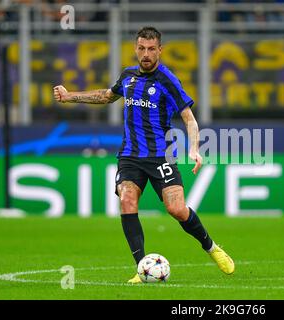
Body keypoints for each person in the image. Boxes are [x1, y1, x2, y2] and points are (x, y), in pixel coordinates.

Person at [53, 26, 235, 283]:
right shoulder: (128, 76)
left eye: (151, 49)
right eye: (141, 48)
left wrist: (194, 148)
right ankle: (142, 268)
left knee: (177, 209)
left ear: (160, 50)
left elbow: (189, 118)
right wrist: (69, 96)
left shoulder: (167, 80)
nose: (146, 54)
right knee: (127, 200)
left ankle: (212, 248)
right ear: (135, 49)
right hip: (129, 155)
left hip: (161, 155)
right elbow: (107, 96)